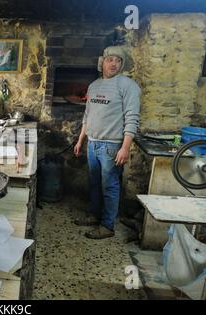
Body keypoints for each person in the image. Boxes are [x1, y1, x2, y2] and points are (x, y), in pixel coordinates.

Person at [73, 46, 141, 239]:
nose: (114, 64)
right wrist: (80, 141)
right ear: (102, 61)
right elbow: (88, 115)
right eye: (110, 59)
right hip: (93, 144)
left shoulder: (128, 86)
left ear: (122, 64)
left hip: (112, 146)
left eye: (118, 61)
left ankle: (107, 226)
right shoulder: (94, 86)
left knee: (109, 185)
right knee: (94, 183)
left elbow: (132, 118)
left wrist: (125, 148)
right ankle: (95, 216)